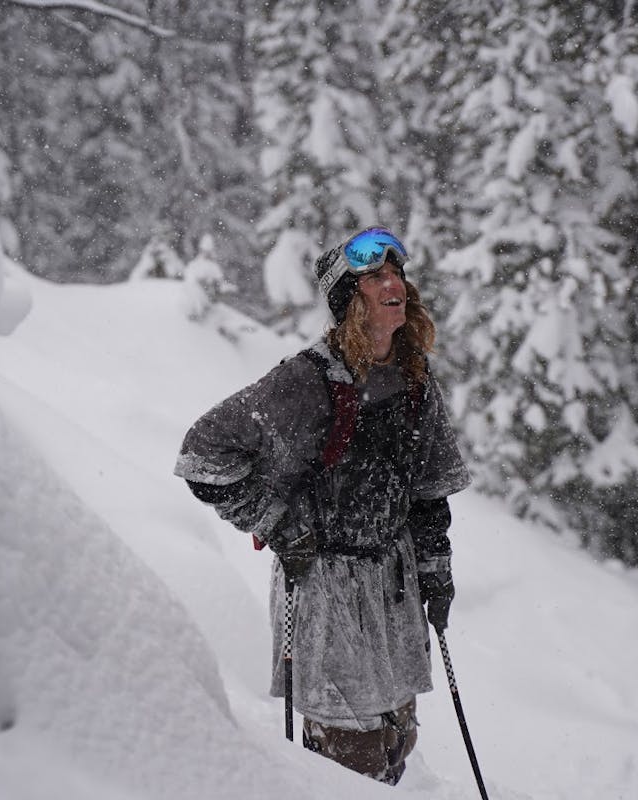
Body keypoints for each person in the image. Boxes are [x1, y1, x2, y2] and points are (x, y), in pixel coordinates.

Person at [174, 225, 471, 785]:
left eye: (396, 273)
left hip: (393, 585)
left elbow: (430, 490)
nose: (394, 284)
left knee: (395, 742)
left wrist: (436, 571)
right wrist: (276, 522)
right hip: (323, 588)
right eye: (375, 276)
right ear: (349, 300)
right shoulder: (306, 381)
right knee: (348, 760)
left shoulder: (412, 378)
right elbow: (201, 455)